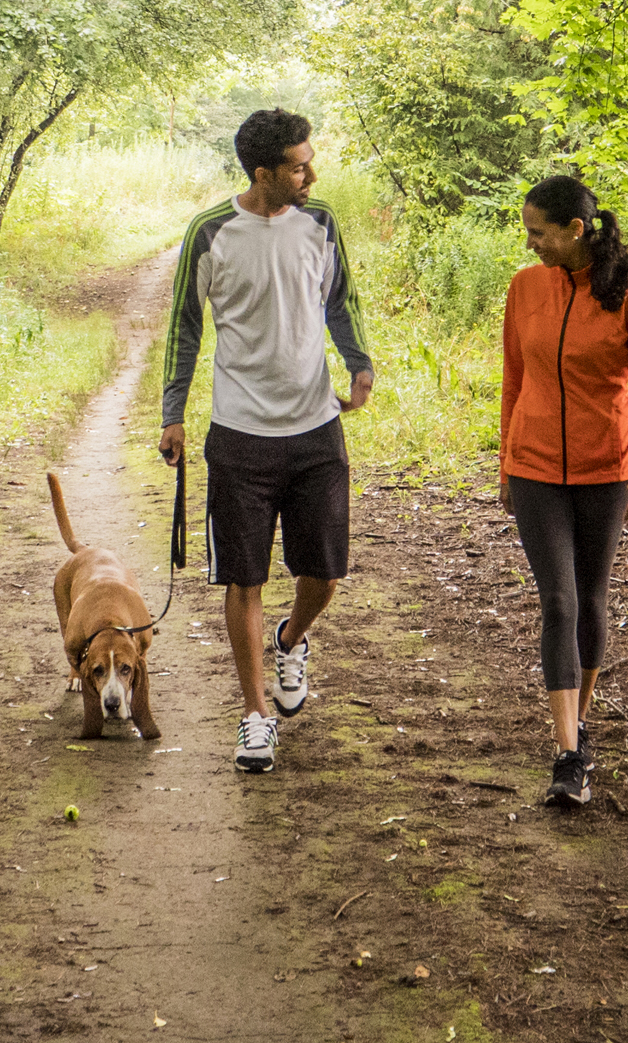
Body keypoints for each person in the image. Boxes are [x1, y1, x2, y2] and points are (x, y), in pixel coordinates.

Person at [160, 108, 374, 774]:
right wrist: (173, 412)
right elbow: (184, 326)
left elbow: (340, 297)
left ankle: (292, 638)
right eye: (297, 164)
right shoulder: (211, 233)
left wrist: (358, 362)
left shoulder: (320, 222)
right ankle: (255, 716)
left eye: (309, 159)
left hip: (315, 428)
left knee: (325, 572)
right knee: (244, 578)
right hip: (240, 436)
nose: (310, 172)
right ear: (263, 172)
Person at [500, 175, 628, 808]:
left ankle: (579, 722)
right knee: (560, 603)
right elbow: (513, 381)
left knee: (592, 601)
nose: (531, 242)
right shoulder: (525, 288)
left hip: (608, 469)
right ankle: (568, 752)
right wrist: (506, 463)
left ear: (575, 230)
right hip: (535, 467)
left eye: (539, 232)